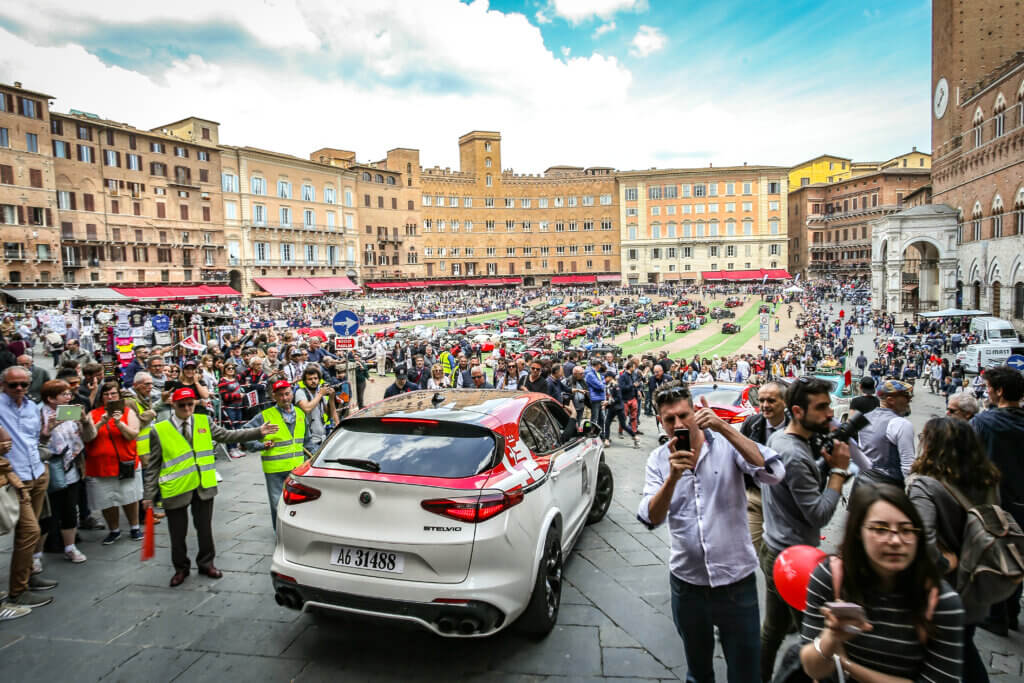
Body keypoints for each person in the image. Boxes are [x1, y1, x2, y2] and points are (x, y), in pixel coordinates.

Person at [638, 382, 784, 683]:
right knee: (698, 670)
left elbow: (773, 473)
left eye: (683, 415)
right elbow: (650, 518)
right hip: (688, 585)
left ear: (695, 411)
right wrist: (673, 477)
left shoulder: (727, 446)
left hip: (736, 581)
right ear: (660, 422)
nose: (678, 424)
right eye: (669, 419)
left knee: (746, 672)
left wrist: (725, 428)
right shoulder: (658, 461)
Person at [798, 484, 964, 683]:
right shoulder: (830, 578)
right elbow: (812, 670)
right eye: (880, 529)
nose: (895, 540)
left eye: (906, 530)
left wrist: (846, 665)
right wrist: (831, 638)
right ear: (859, 532)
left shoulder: (942, 603)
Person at [759, 378, 851, 683]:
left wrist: (821, 468)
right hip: (796, 560)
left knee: (773, 629)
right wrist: (838, 470)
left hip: (776, 548)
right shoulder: (796, 455)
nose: (829, 413)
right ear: (798, 411)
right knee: (816, 638)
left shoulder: (779, 439)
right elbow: (819, 515)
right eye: (822, 407)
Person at [143, 387, 276, 587]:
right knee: (177, 533)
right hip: (176, 488)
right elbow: (153, 465)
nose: (187, 408)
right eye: (182, 405)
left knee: (204, 529)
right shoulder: (159, 430)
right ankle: (181, 568)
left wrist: (258, 432)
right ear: (173, 405)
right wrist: (148, 494)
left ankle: (207, 563)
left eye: (190, 404)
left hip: (203, 486)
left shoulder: (203, 421)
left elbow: (228, 436)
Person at [908, 417, 1001, 682]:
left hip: (942, 591)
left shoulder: (924, 485)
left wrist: (943, 563)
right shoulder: (987, 479)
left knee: (948, 654)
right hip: (978, 582)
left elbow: (921, 542)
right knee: (963, 646)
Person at [970, 364, 1024, 636]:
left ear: (1000, 391)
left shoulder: (984, 422)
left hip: (995, 502)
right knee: (1018, 555)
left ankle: (996, 616)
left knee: (994, 555)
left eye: (989, 388)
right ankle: (1012, 612)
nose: (987, 393)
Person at [0, 366, 58, 610]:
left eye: (24, 384)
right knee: (30, 532)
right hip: (15, 478)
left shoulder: (32, 407)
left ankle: (27, 575)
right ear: (3, 385)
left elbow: (36, 439)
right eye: (14, 385)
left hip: (36, 472)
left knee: (31, 532)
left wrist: (47, 432)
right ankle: (18, 590)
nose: (20, 389)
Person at [243, 380, 314, 530]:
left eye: (287, 394)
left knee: (299, 505)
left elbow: (307, 441)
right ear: (274, 396)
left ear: (292, 394)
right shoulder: (266, 415)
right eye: (280, 395)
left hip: (297, 468)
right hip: (275, 469)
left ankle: (297, 532)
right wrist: (259, 446)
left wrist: (313, 460)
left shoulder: (300, 413)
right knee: (277, 505)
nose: (285, 398)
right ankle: (281, 535)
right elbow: (245, 432)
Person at [40, 380, 96, 564]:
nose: (69, 397)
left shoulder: (71, 413)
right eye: (64, 394)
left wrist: (85, 420)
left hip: (73, 466)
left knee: (70, 510)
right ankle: (36, 556)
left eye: (69, 394)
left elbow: (89, 437)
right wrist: (48, 430)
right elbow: (37, 443)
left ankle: (70, 547)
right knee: (48, 514)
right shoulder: (40, 414)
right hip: (50, 468)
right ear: (50, 398)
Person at [85, 381, 143, 545]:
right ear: (101, 397)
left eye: (113, 394)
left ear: (119, 396)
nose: (110, 397)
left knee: (129, 496)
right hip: (100, 466)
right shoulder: (93, 414)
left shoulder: (128, 412)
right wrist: (101, 422)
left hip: (125, 463)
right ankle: (114, 530)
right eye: (106, 394)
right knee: (107, 499)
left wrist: (119, 423)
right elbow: (88, 437)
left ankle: (134, 526)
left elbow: (133, 434)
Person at [738, 381, 789, 555]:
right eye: (761, 401)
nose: (765, 405)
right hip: (756, 496)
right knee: (750, 550)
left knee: (781, 554)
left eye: (771, 400)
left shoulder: (798, 427)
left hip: (784, 500)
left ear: (785, 402)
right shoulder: (751, 423)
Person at [855, 379, 915, 488]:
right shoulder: (901, 424)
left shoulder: (864, 418)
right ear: (891, 400)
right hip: (888, 488)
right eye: (906, 397)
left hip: (862, 485)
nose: (909, 400)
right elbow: (908, 467)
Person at [294, 364, 337, 452]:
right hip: (308, 440)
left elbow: (330, 414)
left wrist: (332, 398)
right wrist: (320, 394)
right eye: (310, 379)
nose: (313, 381)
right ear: (305, 381)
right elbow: (307, 408)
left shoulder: (319, 392)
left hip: (322, 438)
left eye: (315, 378)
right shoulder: (300, 392)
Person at [602, 371, 638, 448]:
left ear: (610, 377)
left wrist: (607, 403)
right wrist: (607, 404)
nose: (604, 379)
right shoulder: (608, 385)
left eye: (606, 377)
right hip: (612, 407)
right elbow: (610, 397)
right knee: (607, 423)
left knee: (623, 425)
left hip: (618, 408)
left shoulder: (616, 385)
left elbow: (618, 398)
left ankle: (635, 437)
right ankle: (607, 440)